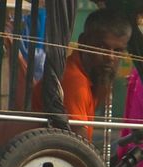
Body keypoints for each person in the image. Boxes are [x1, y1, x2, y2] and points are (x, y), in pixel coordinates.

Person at [37, 9, 131, 140]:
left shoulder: (92, 76)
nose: (110, 57)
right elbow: (80, 152)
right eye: (102, 48)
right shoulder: (75, 81)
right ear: (83, 42)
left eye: (118, 51)